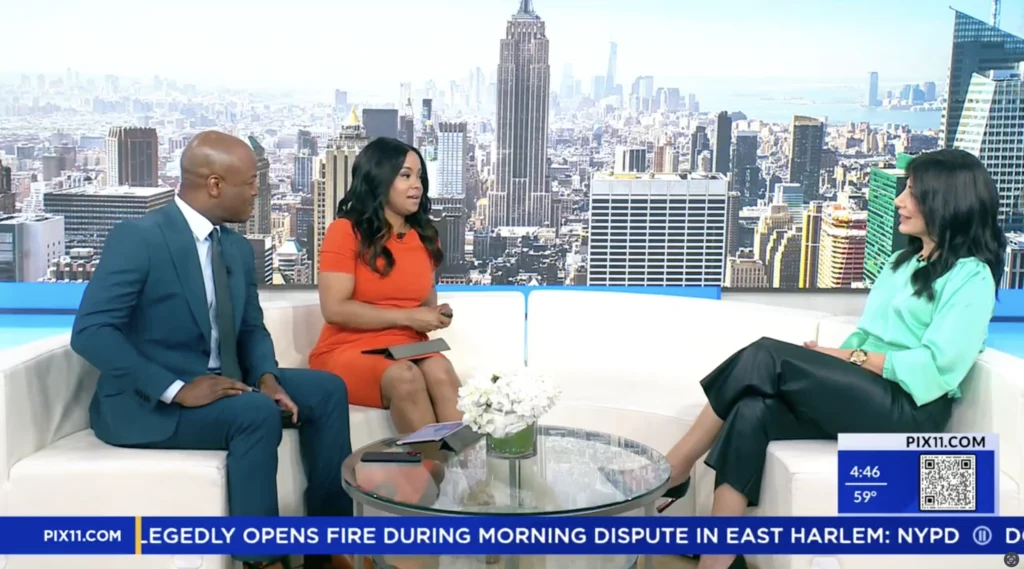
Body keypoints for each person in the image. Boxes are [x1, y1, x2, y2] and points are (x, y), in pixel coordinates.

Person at [602, 148, 1006, 569]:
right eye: (904, 189)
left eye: (913, 193)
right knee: (752, 410)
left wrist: (850, 358)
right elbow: (867, 335)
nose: (900, 201)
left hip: (911, 411)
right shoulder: (900, 263)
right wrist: (832, 364)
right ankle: (718, 562)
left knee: (766, 355)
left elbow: (938, 367)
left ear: (947, 202)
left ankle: (675, 467)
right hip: (871, 395)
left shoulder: (971, 276)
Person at [70, 131, 367, 569]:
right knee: (255, 413)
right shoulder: (140, 238)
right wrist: (177, 389)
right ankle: (262, 560)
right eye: (250, 182)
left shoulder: (235, 248)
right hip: (148, 405)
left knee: (326, 391)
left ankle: (329, 548)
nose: (257, 191)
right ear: (214, 185)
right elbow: (91, 331)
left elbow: (250, 327)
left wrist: (266, 377)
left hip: (225, 383)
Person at [309, 137, 463, 434]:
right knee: (405, 376)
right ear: (379, 179)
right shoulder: (345, 231)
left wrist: (436, 314)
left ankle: (468, 465)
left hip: (407, 345)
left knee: (441, 370)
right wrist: (408, 317)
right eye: (405, 176)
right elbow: (335, 309)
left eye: (419, 176)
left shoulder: (426, 237)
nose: (417, 185)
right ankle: (431, 465)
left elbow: (424, 304)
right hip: (349, 349)